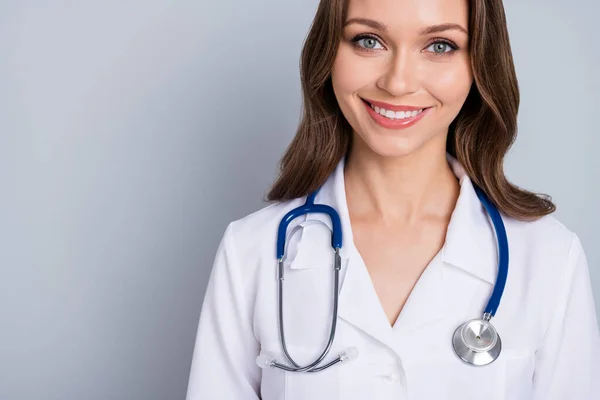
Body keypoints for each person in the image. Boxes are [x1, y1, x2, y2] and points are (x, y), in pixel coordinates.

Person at [186, 0, 600, 398]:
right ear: (328, 51)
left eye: (440, 46)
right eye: (368, 40)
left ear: (479, 65)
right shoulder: (250, 253)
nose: (397, 82)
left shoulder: (548, 258)